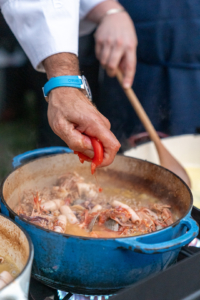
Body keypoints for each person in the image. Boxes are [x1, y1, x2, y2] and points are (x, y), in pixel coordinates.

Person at [0, 0, 138, 168]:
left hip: (108, 28)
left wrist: (109, 10)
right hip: (57, 46)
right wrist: (64, 83)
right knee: (63, 125)